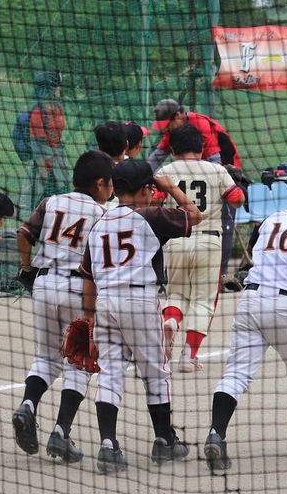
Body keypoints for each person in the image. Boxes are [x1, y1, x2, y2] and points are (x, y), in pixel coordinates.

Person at [73, 159, 201, 474]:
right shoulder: (151, 215)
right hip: (139, 300)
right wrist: (171, 188)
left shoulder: (99, 223)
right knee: (155, 372)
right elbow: (194, 215)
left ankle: (108, 446)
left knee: (110, 372)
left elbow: (88, 278)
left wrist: (89, 320)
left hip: (106, 302)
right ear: (147, 189)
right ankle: (164, 440)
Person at [203, 183, 287, 471]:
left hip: (250, 300)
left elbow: (257, 257)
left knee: (236, 372)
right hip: (286, 307)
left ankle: (216, 434)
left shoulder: (269, 220)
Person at [10, 150, 113, 462]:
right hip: (78, 290)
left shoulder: (51, 202)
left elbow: (23, 235)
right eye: (110, 184)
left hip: (44, 285)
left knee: (45, 357)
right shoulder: (102, 214)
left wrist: (26, 268)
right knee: (80, 362)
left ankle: (28, 404)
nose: (112, 190)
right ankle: (60, 432)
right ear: (99, 183)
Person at [158, 126, 244, 372]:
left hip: (176, 240)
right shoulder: (216, 170)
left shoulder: (165, 171)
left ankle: (172, 319)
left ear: (173, 149)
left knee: (176, 293)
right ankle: (189, 356)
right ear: (202, 147)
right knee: (203, 300)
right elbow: (237, 199)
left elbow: (153, 201)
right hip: (209, 242)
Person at [19, 71, 68, 210]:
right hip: (44, 166)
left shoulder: (58, 108)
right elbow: (36, 145)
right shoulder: (37, 113)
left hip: (59, 164)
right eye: (57, 86)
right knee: (41, 205)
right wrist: (43, 173)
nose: (59, 89)